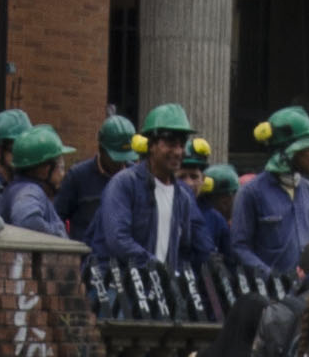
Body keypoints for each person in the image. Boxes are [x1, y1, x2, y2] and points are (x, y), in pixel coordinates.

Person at [88, 106, 224, 267]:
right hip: (116, 284)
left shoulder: (182, 195)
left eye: (181, 145)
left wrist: (211, 261)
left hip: (159, 287)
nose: (178, 151)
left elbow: (191, 244)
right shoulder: (123, 184)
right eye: (171, 144)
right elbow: (118, 240)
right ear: (151, 145)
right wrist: (153, 265)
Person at [233, 107, 309, 267]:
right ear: (289, 152)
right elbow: (240, 248)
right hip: (269, 291)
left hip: (307, 290)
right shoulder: (251, 193)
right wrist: (271, 278)